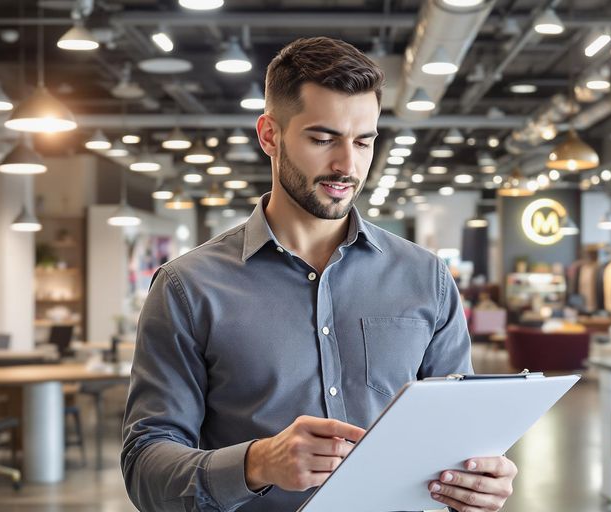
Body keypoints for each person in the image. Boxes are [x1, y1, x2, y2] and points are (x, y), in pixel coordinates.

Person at [121, 36, 518, 512]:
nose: (346, 165)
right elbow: (145, 467)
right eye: (323, 138)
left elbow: (459, 436)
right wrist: (255, 463)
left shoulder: (426, 277)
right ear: (270, 135)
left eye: (364, 141)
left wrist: (480, 478)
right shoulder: (189, 288)